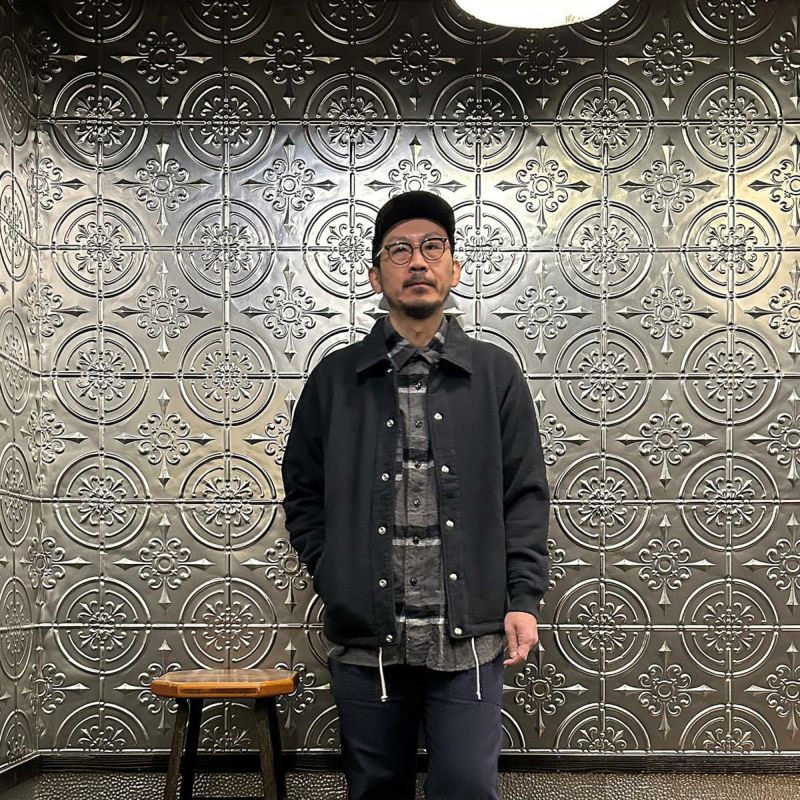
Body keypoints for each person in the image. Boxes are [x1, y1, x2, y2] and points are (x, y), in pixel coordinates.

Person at [282, 190, 550, 800]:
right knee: (375, 790)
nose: (418, 261)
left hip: (470, 635)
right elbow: (303, 493)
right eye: (399, 251)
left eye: (433, 247)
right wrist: (335, 573)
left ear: (454, 269)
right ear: (376, 276)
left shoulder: (495, 374)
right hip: (368, 638)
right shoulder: (336, 378)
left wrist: (522, 598)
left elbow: (525, 495)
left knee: (466, 788)